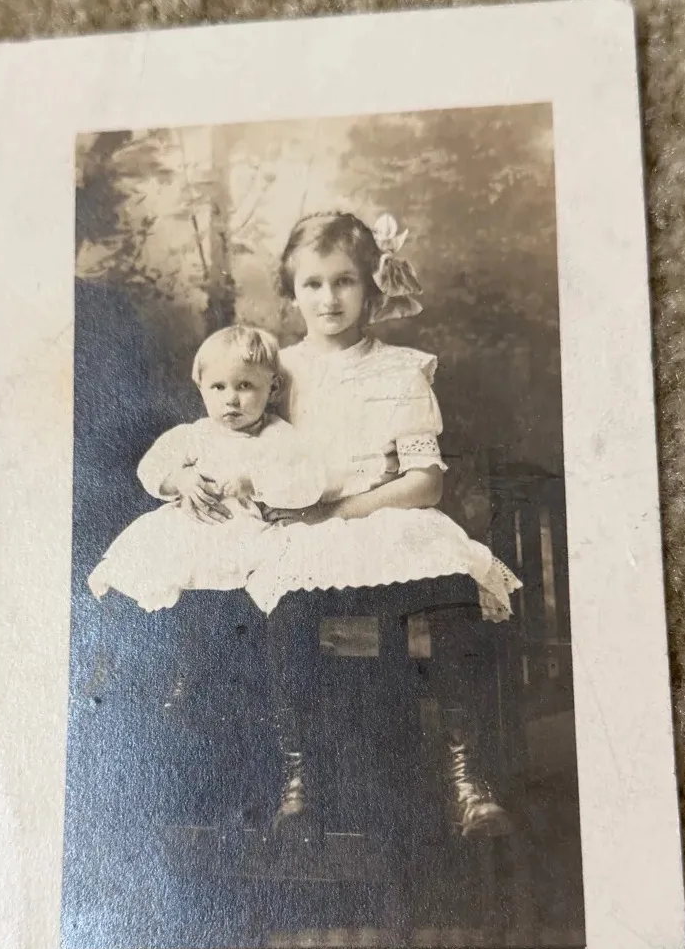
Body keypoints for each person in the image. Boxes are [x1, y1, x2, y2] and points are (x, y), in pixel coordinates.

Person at [247, 211, 521, 839]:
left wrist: (342, 511)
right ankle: (300, 780)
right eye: (312, 283)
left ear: (373, 285)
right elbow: (240, 445)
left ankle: (467, 780)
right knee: (285, 601)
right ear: (291, 290)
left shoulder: (400, 369)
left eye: (344, 281)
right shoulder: (276, 372)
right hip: (305, 532)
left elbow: (426, 483)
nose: (328, 298)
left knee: (449, 588)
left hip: (385, 519)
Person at [87, 325, 324, 612]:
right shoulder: (197, 434)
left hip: (245, 528)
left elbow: (308, 483)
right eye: (218, 387)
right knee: (155, 543)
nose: (231, 399)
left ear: (272, 388)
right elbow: (151, 468)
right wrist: (181, 479)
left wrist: (255, 483)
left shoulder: (277, 436)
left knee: (272, 561)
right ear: (202, 388)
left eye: (245, 386)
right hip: (191, 521)